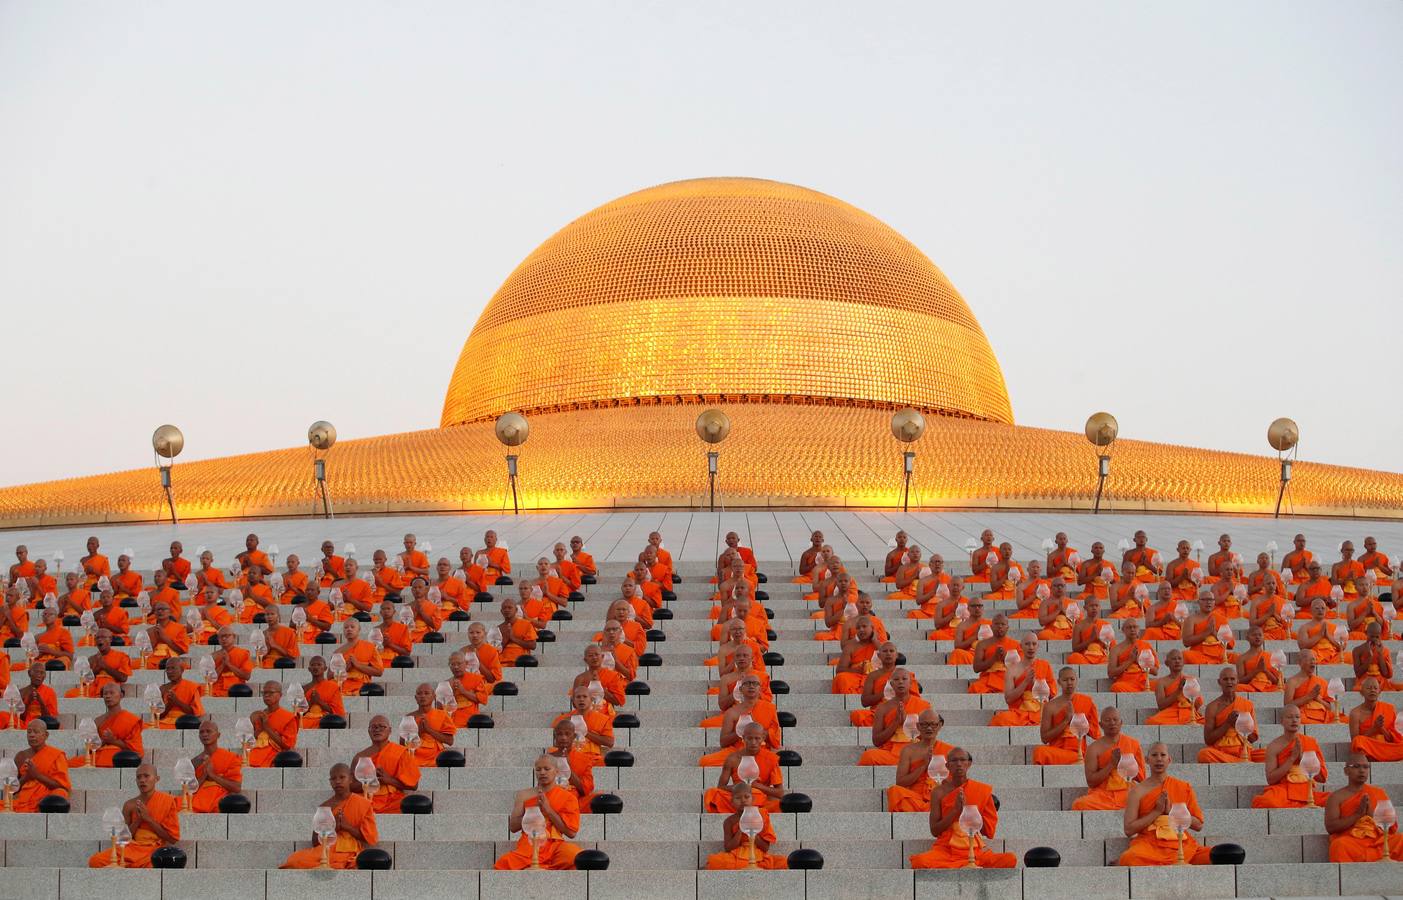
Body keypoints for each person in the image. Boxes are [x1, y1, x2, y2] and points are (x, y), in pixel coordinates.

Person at [909, 747, 1015, 869]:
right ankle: (960, 865)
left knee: (1010, 859)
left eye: (962, 760)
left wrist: (973, 816)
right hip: (946, 850)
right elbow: (935, 830)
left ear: (969, 764)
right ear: (947, 766)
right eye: (954, 761)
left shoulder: (981, 790)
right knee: (920, 862)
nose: (959, 764)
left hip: (975, 850)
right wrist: (955, 811)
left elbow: (988, 831)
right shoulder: (939, 792)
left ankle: (961, 865)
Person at [1118, 742, 1212, 865]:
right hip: (1150, 844)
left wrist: (1173, 812)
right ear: (1147, 760)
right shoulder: (1137, 791)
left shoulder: (1183, 787)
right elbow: (1129, 829)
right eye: (1154, 755)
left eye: (1163, 755)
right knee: (1128, 859)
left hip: (1182, 845)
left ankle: (1178, 862)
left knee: (1218, 856)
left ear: (1169, 760)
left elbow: (1198, 825)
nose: (1159, 759)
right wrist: (1156, 812)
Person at [280, 763, 378, 869]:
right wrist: (333, 828)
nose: (338, 781)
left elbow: (370, 838)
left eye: (342, 777)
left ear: (350, 779)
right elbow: (315, 841)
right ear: (330, 782)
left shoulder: (363, 804)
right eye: (333, 779)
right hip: (326, 850)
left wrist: (346, 827)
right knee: (295, 860)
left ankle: (338, 863)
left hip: (349, 850)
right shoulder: (325, 806)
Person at [494, 755, 581, 870]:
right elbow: (513, 827)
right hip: (529, 844)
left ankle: (542, 868)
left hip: (554, 845)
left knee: (576, 857)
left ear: (556, 771)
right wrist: (533, 814)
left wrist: (548, 810)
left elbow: (571, 832)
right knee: (503, 863)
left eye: (546, 769)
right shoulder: (524, 795)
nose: (542, 773)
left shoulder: (568, 797)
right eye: (538, 769)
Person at [87, 764, 179, 868]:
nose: (142, 780)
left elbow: (172, 839)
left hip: (153, 849)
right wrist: (138, 820)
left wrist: (148, 819)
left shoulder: (167, 801)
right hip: (131, 848)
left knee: (154, 864)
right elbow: (123, 837)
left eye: (146, 776)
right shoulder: (129, 805)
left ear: (157, 779)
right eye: (138, 777)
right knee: (95, 861)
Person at [1324, 754, 1403, 862]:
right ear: (1346, 771)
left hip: (1379, 840)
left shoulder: (1378, 793)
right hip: (1353, 842)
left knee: (1401, 840)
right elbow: (1331, 827)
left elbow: (1392, 827)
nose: (1362, 770)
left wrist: (1372, 814)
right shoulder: (1336, 797)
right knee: (1339, 845)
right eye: (1356, 766)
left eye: (1365, 767)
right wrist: (1357, 815)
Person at [1250, 704, 1330, 808]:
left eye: (1297, 717)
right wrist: (1292, 758)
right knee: (1265, 801)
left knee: (1336, 801)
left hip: (1307, 789)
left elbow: (1322, 778)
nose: (1294, 720)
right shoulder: (1274, 746)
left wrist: (1302, 759)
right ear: (1281, 721)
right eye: (1289, 717)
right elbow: (1271, 779)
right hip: (1284, 789)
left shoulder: (1310, 742)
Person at [1070, 707, 1144, 810]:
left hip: (1128, 792)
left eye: (1115, 720)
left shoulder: (1133, 744)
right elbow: (1091, 782)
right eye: (1107, 720)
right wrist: (1111, 765)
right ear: (1101, 725)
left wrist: (1127, 768)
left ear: (1121, 722)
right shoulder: (1093, 748)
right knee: (1079, 804)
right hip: (1103, 794)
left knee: (1148, 801)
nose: (1112, 723)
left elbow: (1142, 777)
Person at [699, 674, 781, 766]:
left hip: (760, 749)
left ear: (760, 689)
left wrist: (759, 733)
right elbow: (723, 742)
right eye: (747, 683)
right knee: (705, 761)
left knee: (773, 760)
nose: (751, 686)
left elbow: (776, 739)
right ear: (741, 689)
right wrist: (739, 732)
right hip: (739, 751)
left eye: (755, 684)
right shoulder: (732, 712)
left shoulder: (769, 708)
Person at [703, 721, 785, 812]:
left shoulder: (771, 759)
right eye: (749, 738)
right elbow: (721, 787)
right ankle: (752, 809)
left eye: (757, 738)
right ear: (743, 738)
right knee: (711, 794)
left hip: (759, 797)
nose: (753, 742)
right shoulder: (732, 759)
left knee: (781, 804)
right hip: (737, 798)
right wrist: (739, 788)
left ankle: (752, 809)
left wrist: (757, 786)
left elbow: (780, 793)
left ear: (763, 738)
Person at [705, 781, 788, 870]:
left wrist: (753, 830)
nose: (743, 800)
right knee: (714, 861)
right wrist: (740, 830)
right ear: (731, 802)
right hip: (737, 855)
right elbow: (728, 848)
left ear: (753, 799)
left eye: (747, 797)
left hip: (758, 855)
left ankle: (754, 865)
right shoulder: (729, 821)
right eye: (738, 798)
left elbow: (765, 848)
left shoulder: (761, 815)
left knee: (784, 861)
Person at [858, 668, 931, 765]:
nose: (900, 682)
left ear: (910, 684)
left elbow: (929, 737)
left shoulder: (924, 705)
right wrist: (895, 722)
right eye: (896, 680)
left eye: (904, 679)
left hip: (914, 752)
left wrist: (907, 723)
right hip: (891, 752)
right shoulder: (882, 708)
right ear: (891, 684)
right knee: (868, 756)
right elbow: (876, 741)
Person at [351, 715, 421, 814]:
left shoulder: (400, 752)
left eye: (382, 727)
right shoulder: (359, 757)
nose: (377, 730)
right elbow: (351, 787)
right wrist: (371, 780)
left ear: (390, 730)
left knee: (411, 805)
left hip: (393, 801)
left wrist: (388, 780)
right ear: (368, 731)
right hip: (366, 799)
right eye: (374, 727)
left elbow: (413, 785)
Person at [886, 709, 953, 812]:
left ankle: (931, 809)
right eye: (925, 724)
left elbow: (955, 782)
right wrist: (923, 766)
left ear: (939, 726)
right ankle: (930, 810)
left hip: (938, 797)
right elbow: (900, 782)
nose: (929, 728)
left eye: (933, 724)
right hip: (916, 797)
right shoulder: (908, 750)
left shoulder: (949, 751)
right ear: (918, 726)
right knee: (895, 791)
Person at [1031, 667, 1101, 765]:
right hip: (1057, 751)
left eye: (1072, 679)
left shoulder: (1086, 702)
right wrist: (1066, 720)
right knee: (1039, 752)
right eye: (1065, 680)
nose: (1069, 683)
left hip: (1078, 753)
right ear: (1059, 682)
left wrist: (1078, 722)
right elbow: (1044, 738)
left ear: (1077, 680)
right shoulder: (1050, 706)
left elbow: (1095, 734)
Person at [68, 682, 143, 767]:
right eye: (105, 694)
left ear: (121, 695)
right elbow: (91, 748)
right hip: (97, 757)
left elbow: (136, 752)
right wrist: (102, 742)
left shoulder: (130, 720)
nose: (108, 696)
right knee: (68, 763)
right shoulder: (98, 720)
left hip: (118, 758)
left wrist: (113, 741)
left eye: (111, 693)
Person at [1197, 667, 1264, 762]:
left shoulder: (1247, 704)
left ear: (1237, 681)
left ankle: (1240, 761)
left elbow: (1252, 738)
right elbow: (1208, 740)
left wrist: (1241, 725)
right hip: (1221, 751)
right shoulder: (1212, 707)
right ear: (1219, 682)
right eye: (1225, 679)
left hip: (1244, 750)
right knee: (1203, 755)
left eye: (1232, 679)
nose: (1229, 682)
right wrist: (1227, 724)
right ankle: (1242, 762)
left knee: (1270, 754)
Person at [989, 634, 1056, 726]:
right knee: (999, 719)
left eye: (1034, 644)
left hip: (1040, 710)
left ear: (1038, 646)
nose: (1031, 647)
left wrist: (1034, 684)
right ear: (1021, 646)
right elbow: (1009, 699)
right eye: (1027, 644)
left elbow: (1051, 695)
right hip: (1019, 713)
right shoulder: (1012, 670)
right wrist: (1025, 682)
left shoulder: (1044, 665)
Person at [11, 720, 70, 811]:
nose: (32, 735)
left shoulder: (56, 755)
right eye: (29, 732)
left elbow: (62, 786)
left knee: (60, 793)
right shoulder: (21, 756)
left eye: (36, 732)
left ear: (46, 735)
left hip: (46, 799)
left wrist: (37, 775)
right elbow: (12, 789)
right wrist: (27, 777)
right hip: (24, 799)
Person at [189, 719, 243, 813]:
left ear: (218, 735)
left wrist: (213, 776)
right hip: (197, 800)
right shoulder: (194, 762)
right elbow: (189, 790)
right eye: (201, 732)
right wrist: (204, 776)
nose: (205, 734)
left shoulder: (231, 758)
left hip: (219, 800)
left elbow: (236, 788)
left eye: (208, 731)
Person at [553, 684, 615, 762]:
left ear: (591, 699)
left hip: (592, 759)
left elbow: (610, 742)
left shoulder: (603, 719)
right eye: (578, 697)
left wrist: (585, 733)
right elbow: (554, 741)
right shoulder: (562, 719)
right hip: (568, 756)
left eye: (585, 697)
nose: (581, 700)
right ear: (573, 700)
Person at [1349, 676, 1403, 762]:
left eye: (1375, 688)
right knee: (1358, 741)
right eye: (1369, 688)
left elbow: (1393, 739)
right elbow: (1354, 742)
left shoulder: (1389, 708)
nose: (1372, 690)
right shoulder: (1355, 713)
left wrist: (1382, 728)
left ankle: (1383, 756)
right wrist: (1374, 729)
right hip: (1369, 748)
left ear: (1379, 691)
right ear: (1361, 692)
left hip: (1387, 748)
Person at [1283, 649, 1344, 723]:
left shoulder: (1321, 681)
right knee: (1298, 720)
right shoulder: (1292, 682)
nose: (1313, 662)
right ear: (1300, 662)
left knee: (1345, 719)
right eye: (1309, 660)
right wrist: (1308, 697)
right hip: (1304, 714)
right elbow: (1287, 706)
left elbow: (1329, 707)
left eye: (1314, 659)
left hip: (1323, 715)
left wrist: (1318, 699)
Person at [1145, 649, 1203, 725]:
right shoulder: (1161, 682)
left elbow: (1198, 702)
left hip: (1187, 711)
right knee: (1151, 722)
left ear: (1183, 662)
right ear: (1167, 663)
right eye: (1173, 659)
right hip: (1170, 712)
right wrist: (1178, 691)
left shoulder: (1190, 679)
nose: (1177, 661)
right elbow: (1161, 706)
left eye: (1179, 658)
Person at [545, 719, 596, 806]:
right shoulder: (547, 758)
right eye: (559, 734)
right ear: (555, 737)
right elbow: (541, 785)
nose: (563, 737)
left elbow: (585, 790)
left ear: (574, 736)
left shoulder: (585, 759)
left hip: (573, 799)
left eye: (567, 734)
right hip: (551, 798)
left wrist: (567, 770)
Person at [249, 680, 298, 767]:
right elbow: (252, 739)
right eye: (264, 693)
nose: (267, 695)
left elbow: (287, 745)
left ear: (280, 695)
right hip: (255, 752)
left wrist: (267, 728)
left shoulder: (288, 717)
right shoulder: (259, 715)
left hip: (274, 755)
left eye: (271, 692)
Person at [406, 682, 456, 766]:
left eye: (426, 693)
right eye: (419, 694)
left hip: (435, 756)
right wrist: (419, 731)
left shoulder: (442, 715)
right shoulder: (409, 717)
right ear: (415, 698)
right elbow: (403, 743)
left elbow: (450, 741)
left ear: (434, 696)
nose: (423, 696)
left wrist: (429, 730)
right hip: (415, 756)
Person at [967, 614, 1019, 695]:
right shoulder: (982, 644)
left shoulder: (1016, 645)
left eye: (1003, 624)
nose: (1000, 627)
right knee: (974, 688)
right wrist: (994, 658)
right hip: (988, 678)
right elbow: (976, 668)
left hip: (1007, 677)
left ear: (1007, 627)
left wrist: (1006, 657)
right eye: (997, 624)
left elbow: (1021, 668)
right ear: (991, 627)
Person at [335, 618, 384, 695]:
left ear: (359, 630)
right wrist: (345, 668)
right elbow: (329, 675)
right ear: (343, 631)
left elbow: (379, 672)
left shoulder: (370, 647)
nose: (349, 629)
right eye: (346, 627)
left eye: (352, 627)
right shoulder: (338, 652)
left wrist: (358, 665)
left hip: (362, 688)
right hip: (342, 687)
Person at [1108, 619, 1158, 692]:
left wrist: (1139, 661)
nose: (1132, 629)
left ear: (1138, 629)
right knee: (1115, 687)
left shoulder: (1145, 645)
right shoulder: (1116, 649)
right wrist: (1130, 661)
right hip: (1126, 683)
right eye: (1129, 627)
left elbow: (1155, 672)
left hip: (1143, 683)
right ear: (1123, 630)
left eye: (1135, 627)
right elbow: (1111, 673)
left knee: (1161, 685)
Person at [445, 651, 491, 727]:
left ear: (466, 664)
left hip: (470, 720)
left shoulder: (476, 679)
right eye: (452, 664)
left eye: (459, 664)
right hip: (451, 720)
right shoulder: (447, 683)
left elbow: (483, 699)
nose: (456, 667)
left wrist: (463, 691)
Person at [1295, 597, 1345, 664]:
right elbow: (1303, 646)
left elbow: (1342, 647)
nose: (1320, 610)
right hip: (1315, 655)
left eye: (1323, 608)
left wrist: (1328, 636)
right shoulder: (1305, 627)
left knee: (1348, 656)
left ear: (1326, 610)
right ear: (1311, 610)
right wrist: (1319, 635)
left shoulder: (1333, 626)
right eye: (1317, 608)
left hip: (1333, 655)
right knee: (1308, 656)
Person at [300, 656, 346, 728]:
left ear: (325, 668)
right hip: (306, 720)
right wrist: (311, 702)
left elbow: (337, 712)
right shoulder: (304, 689)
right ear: (309, 669)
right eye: (312, 665)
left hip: (325, 720)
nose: (315, 667)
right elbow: (299, 713)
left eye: (319, 665)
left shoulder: (333, 687)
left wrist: (319, 702)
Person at [1351, 622, 1399, 690]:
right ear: (1366, 633)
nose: (1374, 639)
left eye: (1377, 637)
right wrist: (1370, 657)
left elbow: (1386, 674)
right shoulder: (1357, 650)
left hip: (1380, 682)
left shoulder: (1385, 651)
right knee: (1358, 689)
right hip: (1364, 682)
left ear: (1380, 635)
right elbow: (1358, 674)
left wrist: (1380, 654)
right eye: (1372, 636)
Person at [210, 627, 254, 697]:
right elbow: (210, 679)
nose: (224, 639)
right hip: (217, 689)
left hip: (236, 688)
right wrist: (223, 664)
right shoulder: (213, 656)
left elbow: (246, 676)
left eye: (227, 636)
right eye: (221, 637)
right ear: (218, 639)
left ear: (234, 637)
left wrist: (229, 664)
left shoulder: (243, 653)